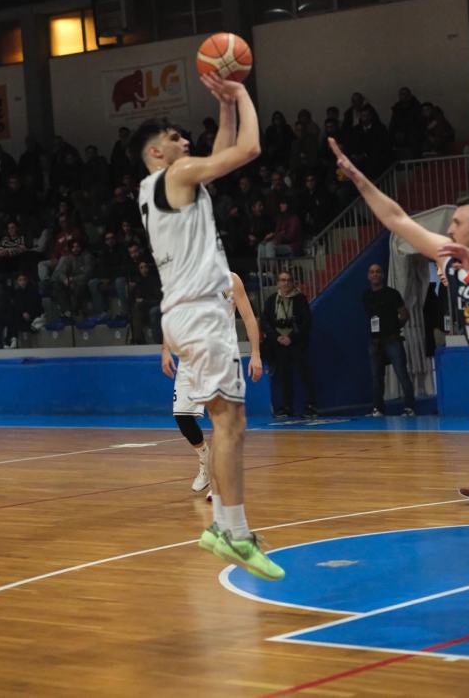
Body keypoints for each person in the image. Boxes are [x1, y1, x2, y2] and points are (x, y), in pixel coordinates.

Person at [130, 72, 284, 580]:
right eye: (174, 137)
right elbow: (248, 149)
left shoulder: (168, 185)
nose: (184, 140)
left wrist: (223, 110)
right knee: (231, 425)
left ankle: (224, 525)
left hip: (185, 313)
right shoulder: (173, 177)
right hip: (200, 313)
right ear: (156, 152)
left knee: (225, 422)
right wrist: (239, 93)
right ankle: (233, 532)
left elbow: (219, 153)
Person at [329, 137, 469, 500]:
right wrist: (359, 179)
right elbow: (397, 219)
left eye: (457, 222)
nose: (450, 228)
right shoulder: (450, 259)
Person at [161, 272, 263, 496]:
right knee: (182, 417)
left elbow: (248, 317)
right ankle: (205, 459)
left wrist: (255, 353)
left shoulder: (231, 280)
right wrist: (166, 349)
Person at [261, 271, 317, 420]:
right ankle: (286, 407)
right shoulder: (272, 300)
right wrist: (277, 337)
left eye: (288, 280)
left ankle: (310, 406)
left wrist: (291, 337)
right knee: (284, 376)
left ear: (293, 283)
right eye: (282, 280)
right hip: (278, 344)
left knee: (304, 375)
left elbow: (306, 322)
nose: (285, 283)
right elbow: (265, 322)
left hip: (297, 343)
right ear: (278, 283)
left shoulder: (300, 299)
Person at [363, 264, 415, 417]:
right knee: (376, 376)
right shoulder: (366, 295)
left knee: (401, 373)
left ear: (383, 275)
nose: (375, 274)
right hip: (374, 341)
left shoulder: (392, 293)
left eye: (378, 271)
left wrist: (395, 327)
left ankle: (409, 407)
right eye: (372, 272)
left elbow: (404, 314)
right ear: (368, 276)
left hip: (392, 340)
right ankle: (378, 408)